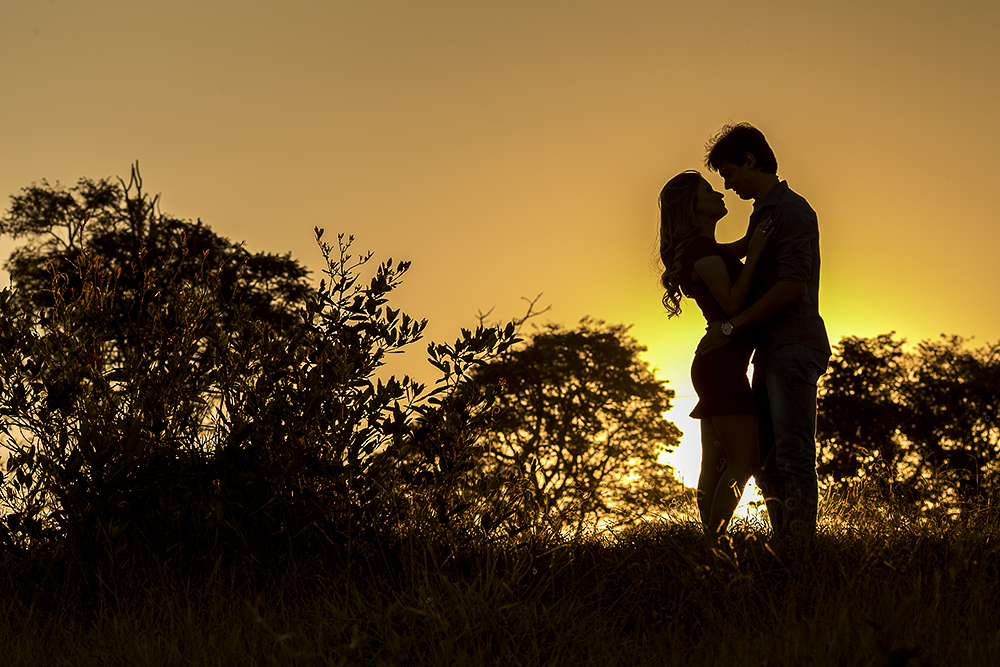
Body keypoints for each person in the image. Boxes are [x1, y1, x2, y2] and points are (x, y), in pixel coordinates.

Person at [698, 122, 831, 538]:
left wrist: (733, 325)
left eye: (729, 173)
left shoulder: (792, 209)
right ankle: (785, 548)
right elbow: (732, 252)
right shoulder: (764, 213)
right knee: (768, 461)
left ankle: (800, 558)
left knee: (791, 455)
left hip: (793, 345)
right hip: (771, 350)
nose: (728, 184)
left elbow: (793, 286)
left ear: (750, 161)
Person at [658, 170, 772, 547]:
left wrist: (750, 241)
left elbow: (731, 251)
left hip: (716, 366)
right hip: (723, 367)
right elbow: (731, 302)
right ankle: (713, 542)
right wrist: (755, 254)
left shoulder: (704, 248)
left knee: (715, 463)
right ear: (695, 207)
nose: (720, 193)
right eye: (709, 191)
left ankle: (707, 542)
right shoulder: (702, 251)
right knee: (744, 462)